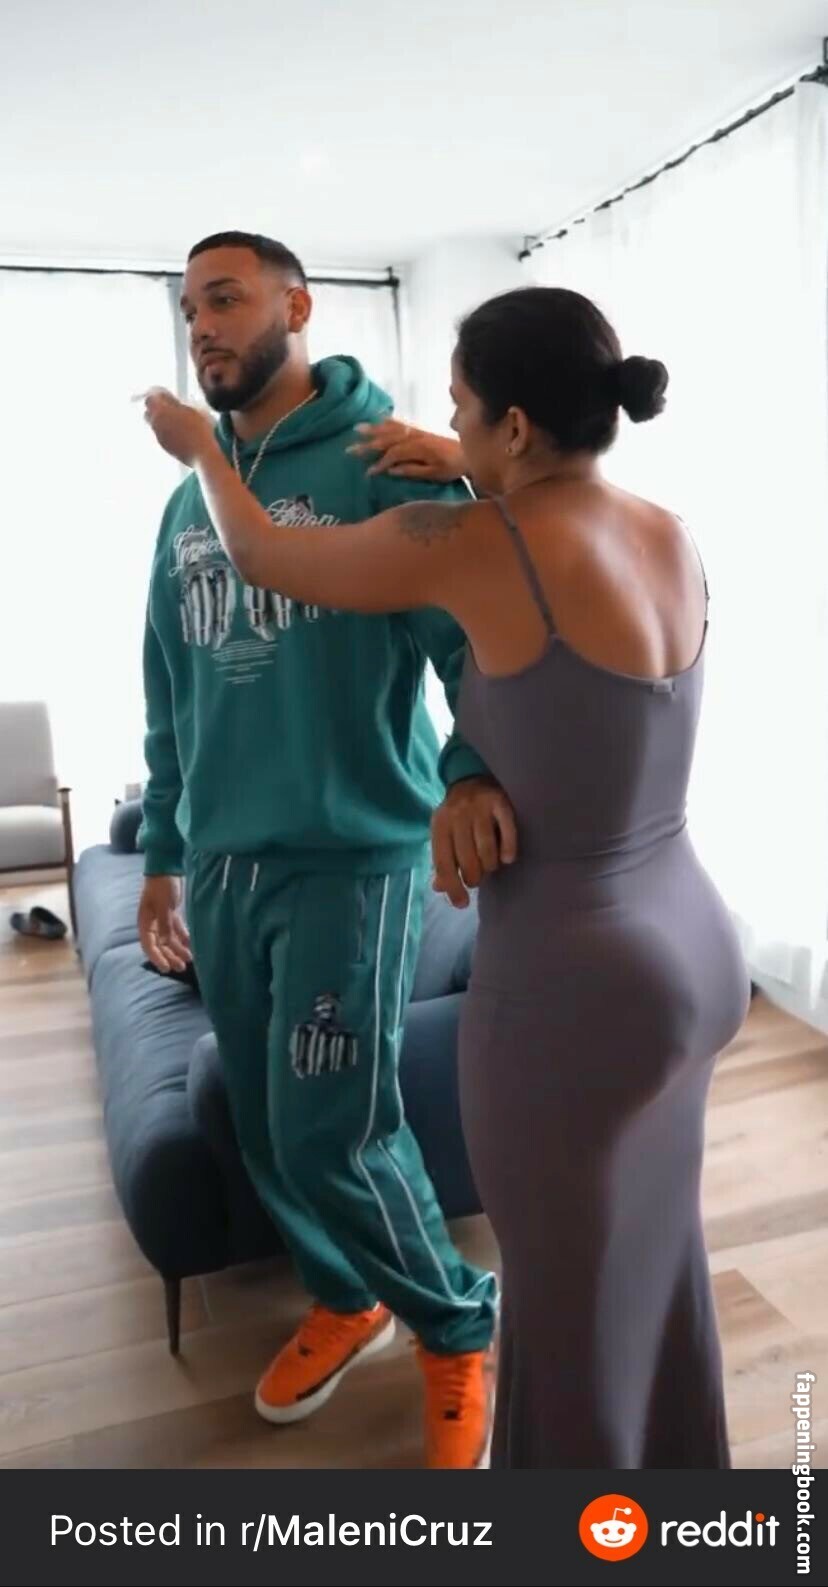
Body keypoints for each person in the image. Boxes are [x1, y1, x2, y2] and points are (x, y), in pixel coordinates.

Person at [142, 283, 751, 1470]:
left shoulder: (478, 544)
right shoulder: (665, 528)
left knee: (561, 1308)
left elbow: (261, 552)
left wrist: (203, 451)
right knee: (654, 1263)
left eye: (464, 407)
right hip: (693, 940)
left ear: (515, 425)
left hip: (574, 974)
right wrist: (470, 464)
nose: (448, 426)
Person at [138, 231, 514, 1470]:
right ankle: (347, 1296)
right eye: (190, 309)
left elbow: (477, 641)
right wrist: (164, 850)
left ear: (296, 307)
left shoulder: (381, 465)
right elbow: (169, 681)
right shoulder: (191, 500)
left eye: (226, 299)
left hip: (354, 858)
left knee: (332, 1130)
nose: (203, 327)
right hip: (227, 866)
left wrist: (469, 769)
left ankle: (457, 1324)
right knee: (263, 1121)